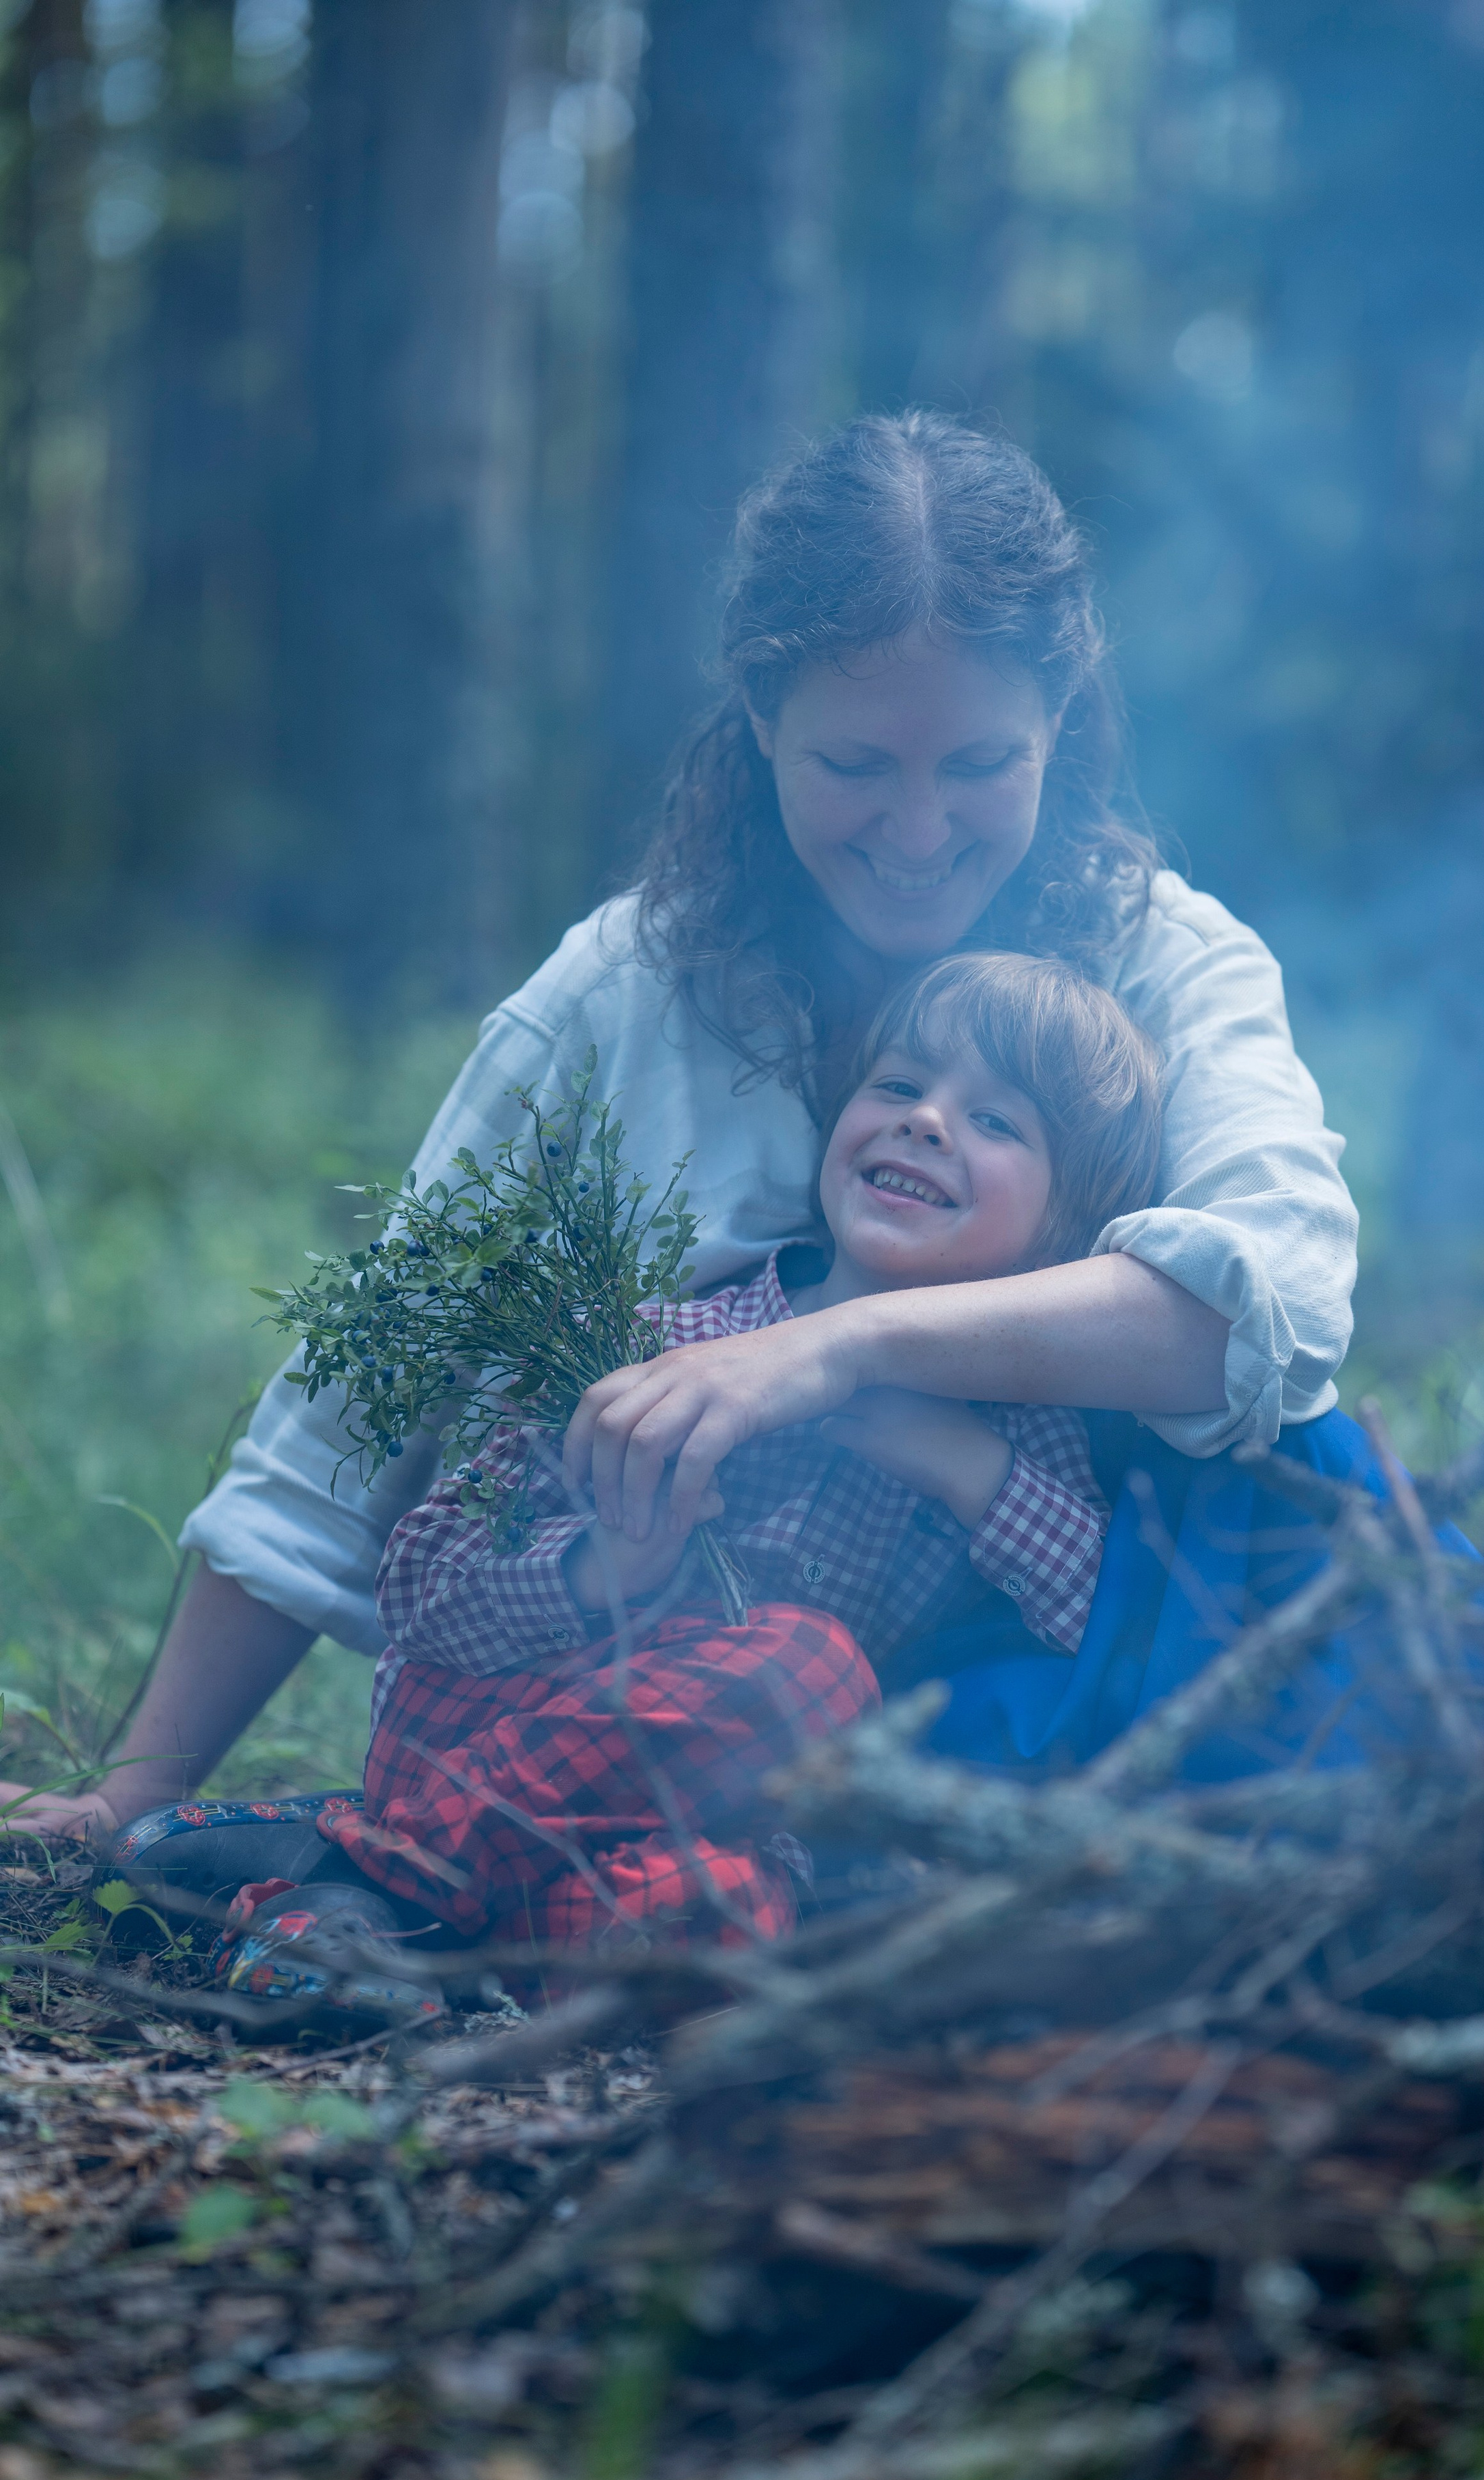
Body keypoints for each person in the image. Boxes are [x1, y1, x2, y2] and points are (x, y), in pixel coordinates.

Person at [0, 409, 1358, 1846]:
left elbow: (1269, 1318)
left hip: (1068, 1681)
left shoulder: (1168, 965)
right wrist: (143, 1782)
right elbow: (362, 1401)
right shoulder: (618, 997)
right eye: (853, 767)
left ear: (1061, 721)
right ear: (761, 717)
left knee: (1335, 1485)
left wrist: (833, 1350)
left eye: (976, 766)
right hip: (682, 1693)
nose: (915, 833)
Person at [164, 953, 1167, 1984]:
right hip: (484, 1725)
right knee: (804, 1666)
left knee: (720, 1916)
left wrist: (965, 1465)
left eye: (998, 1123)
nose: (926, 1121)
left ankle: (351, 1907)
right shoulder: (657, 1341)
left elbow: (1110, 1635)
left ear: (1063, 1232)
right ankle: (382, 1854)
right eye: (900, 1086)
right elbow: (419, 1589)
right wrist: (604, 1567)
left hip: (701, 1819)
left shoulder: (1026, 1432)